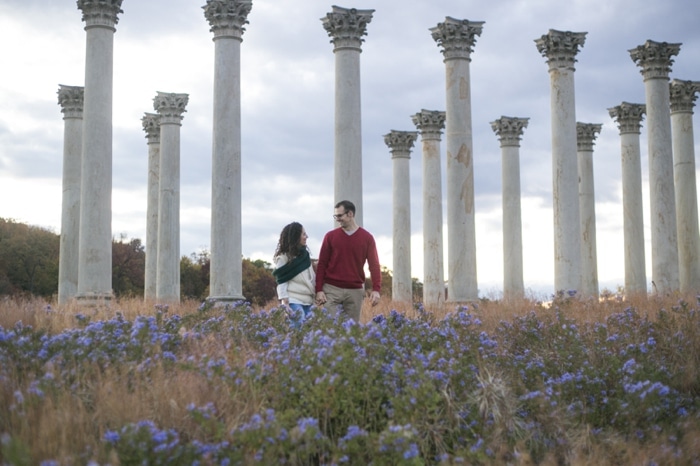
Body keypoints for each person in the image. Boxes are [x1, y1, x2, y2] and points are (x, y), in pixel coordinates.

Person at [315, 200, 381, 322]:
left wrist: (376, 289)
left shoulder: (367, 238)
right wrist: (319, 289)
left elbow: (374, 266)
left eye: (340, 216)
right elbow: (322, 264)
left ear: (350, 214)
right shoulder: (330, 236)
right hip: (331, 289)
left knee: (351, 330)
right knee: (329, 327)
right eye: (335, 216)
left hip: (355, 291)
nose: (337, 219)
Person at [272, 222, 316, 327]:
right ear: (296, 237)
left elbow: (311, 277)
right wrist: (285, 302)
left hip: (308, 301)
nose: (306, 237)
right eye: (303, 234)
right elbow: (281, 280)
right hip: (293, 300)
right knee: (298, 329)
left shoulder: (305, 256)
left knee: (309, 332)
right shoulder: (283, 258)